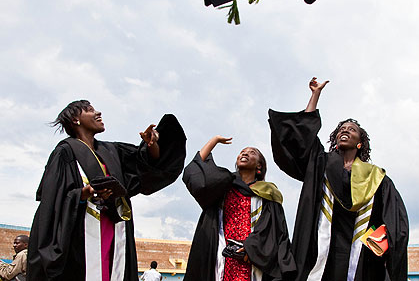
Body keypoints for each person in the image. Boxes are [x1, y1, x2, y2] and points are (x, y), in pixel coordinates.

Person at [27, 100, 186, 281]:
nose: (98, 112)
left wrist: (152, 145)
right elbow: (52, 199)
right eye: (89, 110)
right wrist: (83, 193)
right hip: (81, 234)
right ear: (75, 120)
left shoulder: (111, 150)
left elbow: (145, 168)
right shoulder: (65, 153)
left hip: (114, 228)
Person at [268, 78, 409, 281]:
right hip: (320, 247)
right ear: (335, 139)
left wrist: (387, 242)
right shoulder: (321, 163)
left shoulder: (376, 177)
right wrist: (315, 96)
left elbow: (394, 220)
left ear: (360, 143)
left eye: (351, 129)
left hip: (361, 254)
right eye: (341, 129)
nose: (345, 130)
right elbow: (302, 139)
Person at [182, 135, 296, 281]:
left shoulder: (267, 194)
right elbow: (194, 171)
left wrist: (251, 248)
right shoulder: (223, 185)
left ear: (259, 166)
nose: (245, 153)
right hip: (221, 257)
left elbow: (273, 232)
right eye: (242, 151)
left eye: (252, 152)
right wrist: (214, 141)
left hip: (251, 261)